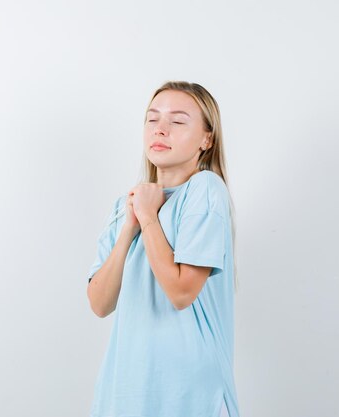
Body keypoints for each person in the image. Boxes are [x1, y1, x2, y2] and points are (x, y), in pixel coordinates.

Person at [85, 81, 240, 417]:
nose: (161, 129)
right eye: (152, 119)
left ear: (206, 139)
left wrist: (149, 218)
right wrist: (130, 225)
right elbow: (99, 303)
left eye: (178, 121)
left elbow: (182, 291)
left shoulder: (205, 189)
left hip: (189, 395)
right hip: (124, 392)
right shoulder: (125, 207)